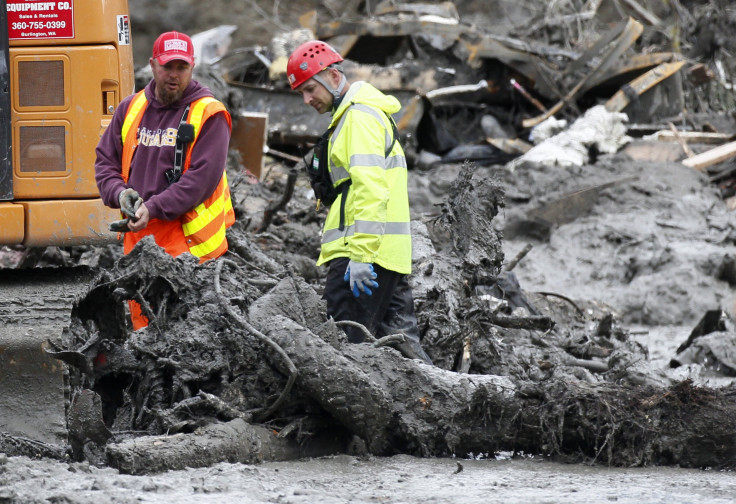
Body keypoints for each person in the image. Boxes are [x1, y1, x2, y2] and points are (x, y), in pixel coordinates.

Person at [286, 40, 432, 364]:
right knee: (405, 354)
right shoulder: (359, 115)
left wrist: (362, 255)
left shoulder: (358, 119)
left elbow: (370, 188)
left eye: (310, 88)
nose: (307, 99)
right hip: (386, 255)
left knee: (347, 356)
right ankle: (443, 407)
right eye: (301, 93)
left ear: (333, 77)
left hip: (362, 257)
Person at [95, 31, 234, 329]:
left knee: (189, 340)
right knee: (145, 335)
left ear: (193, 66)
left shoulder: (210, 114)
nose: (174, 75)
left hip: (192, 249)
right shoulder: (130, 109)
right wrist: (120, 194)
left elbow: (201, 180)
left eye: (181, 67)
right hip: (140, 244)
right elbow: (105, 163)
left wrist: (154, 208)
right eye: (167, 66)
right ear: (152, 65)